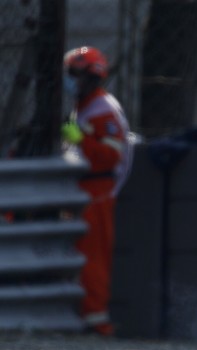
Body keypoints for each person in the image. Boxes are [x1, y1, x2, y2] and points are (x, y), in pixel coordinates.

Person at [62, 46, 132, 335]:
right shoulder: (87, 104)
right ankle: (85, 316)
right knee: (81, 255)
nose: (72, 80)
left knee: (92, 258)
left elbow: (109, 156)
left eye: (76, 74)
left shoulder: (102, 109)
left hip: (97, 190)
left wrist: (80, 141)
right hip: (84, 188)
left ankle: (96, 322)